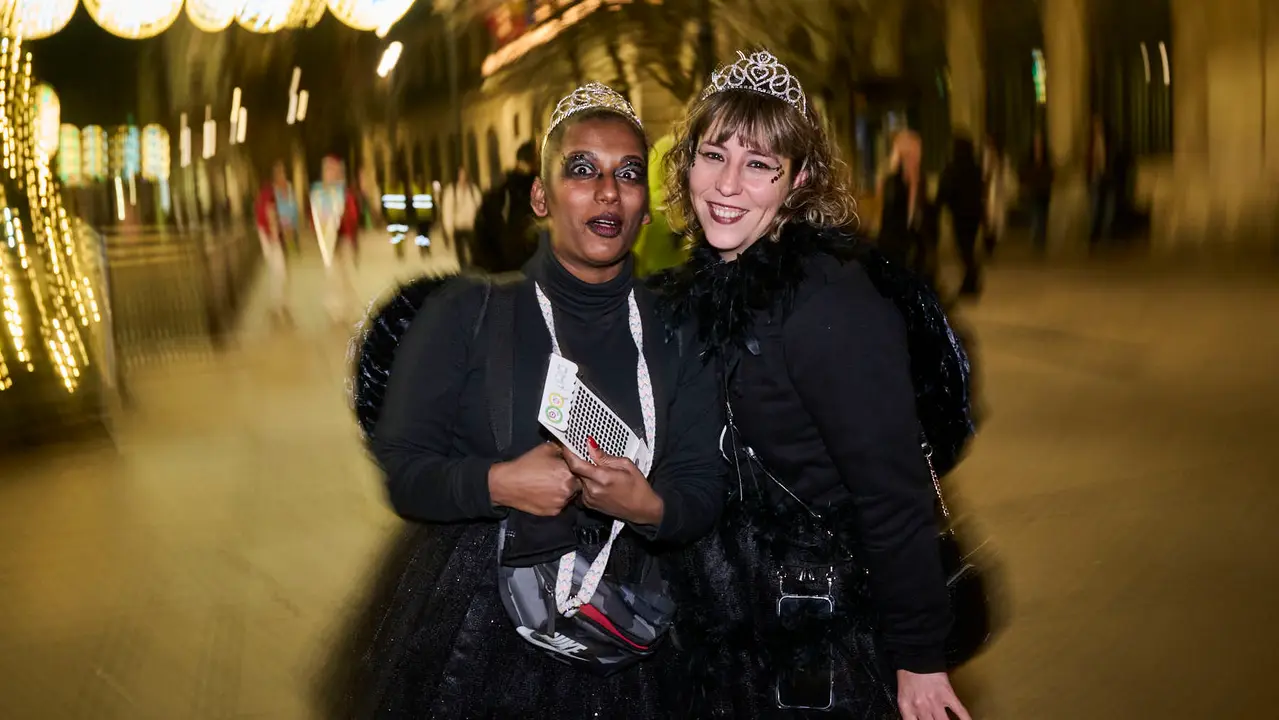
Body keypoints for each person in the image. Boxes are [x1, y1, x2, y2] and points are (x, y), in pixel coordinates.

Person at [319, 83, 726, 719]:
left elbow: (704, 484)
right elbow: (406, 475)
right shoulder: (466, 314)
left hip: (643, 629)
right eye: (582, 170)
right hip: (485, 633)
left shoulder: (678, 328)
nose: (607, 192)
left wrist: (646, 504)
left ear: (646, 207)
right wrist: (499, 483)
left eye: (627, 175)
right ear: (540, 195)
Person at [655, 50, 971, 720]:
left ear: (797, 181)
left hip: (816, 638)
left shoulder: (830, 306)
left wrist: (918, 659)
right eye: (713, 155)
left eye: (759, 164)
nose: (727, 184)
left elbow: (892, 494)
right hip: (724, 628)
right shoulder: (705, 285)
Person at [309, 155, 360, 324]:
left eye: (334, 170)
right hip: (329, 242)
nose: (331, 173)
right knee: (332, 276)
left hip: (344, 239)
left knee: (347, 275)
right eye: (329, 170)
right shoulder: (318, 193)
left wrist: (344, 220)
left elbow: (353, 216)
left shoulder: (344, 193)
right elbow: (314, 218)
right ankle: (335, 310)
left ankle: (349, 308)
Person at [937, 135, 987, 297]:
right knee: (969, 249)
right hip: (974, 215)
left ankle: (970, 281)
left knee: (964, 249)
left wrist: (938, 206)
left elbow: (946, 190)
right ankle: (970, 281)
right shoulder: (975, 167)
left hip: (960, 216)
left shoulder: (953, 168)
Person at [253, 161, 296, 325]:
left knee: (281, 272)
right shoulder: (269, 193)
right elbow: (268, 216)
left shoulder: (283, 191)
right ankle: (278, 306)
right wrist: (273, 239)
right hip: (271, 238)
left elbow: (288, 216)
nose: (282, 177)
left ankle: (280, 303)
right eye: (280, 174)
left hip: (279, 238)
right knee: (279, 271)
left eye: (284, 173)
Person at [440, 165, 482, 268]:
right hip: (458, 227)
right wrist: (449, 228)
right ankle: (464, 272)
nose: (463, 177)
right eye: (461, 175)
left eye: (465, 175)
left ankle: (475, 269)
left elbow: (480, 206)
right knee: (461, 254)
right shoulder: (451, 191)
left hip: (471, 226)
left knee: (474, 252)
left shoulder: (473, 190)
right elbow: (447, 210)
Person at [1021, 129, 1054, 253]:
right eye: (1036, 141)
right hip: (1034, 190)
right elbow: (1024, 171)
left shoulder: (1046, 158)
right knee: (1035, 215)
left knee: (1043, 216)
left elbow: (1050, 172)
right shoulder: (1030, 157)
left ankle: (1042, 238)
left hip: (1044, 191)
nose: (1037, 144)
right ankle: (1036, 238)